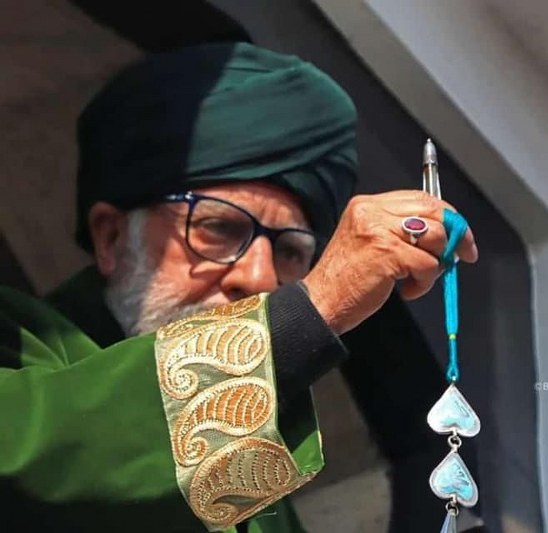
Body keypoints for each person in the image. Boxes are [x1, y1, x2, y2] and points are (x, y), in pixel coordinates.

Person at [0, 42, 478, 532]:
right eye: (218, 229)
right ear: (112, 236)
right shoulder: (18, 345)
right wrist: (314, 309)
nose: (259, 278)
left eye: (291, 252)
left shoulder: (261, 495)